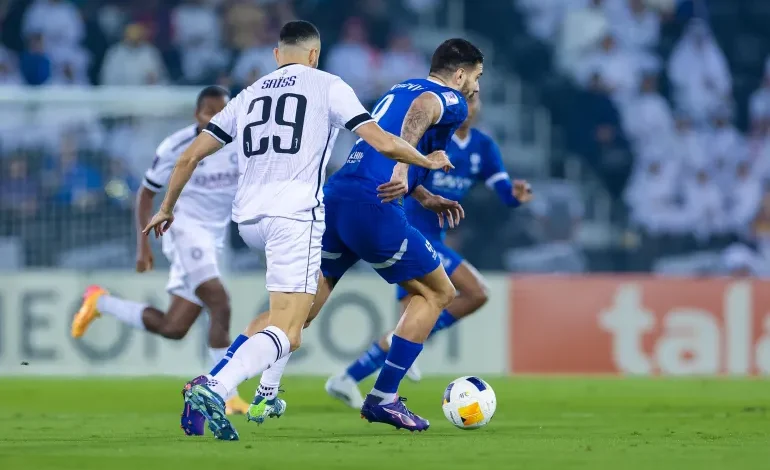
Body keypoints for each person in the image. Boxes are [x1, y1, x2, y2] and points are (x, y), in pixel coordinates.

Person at [142, 21, 453, 441]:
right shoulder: (327, 85)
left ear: (276, 55)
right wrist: (425, 161)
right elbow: (381, 141)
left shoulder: (248, 94)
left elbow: (189, 157)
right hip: (294, 216)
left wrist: (165, 208)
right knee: (288, 332)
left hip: (249, 220)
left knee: (289, 317)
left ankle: (262, 391)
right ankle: (213, 387)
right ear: (314, 55)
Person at [240, 37, 485, 432]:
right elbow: (420, 118)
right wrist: (403, 172)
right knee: (440, 292)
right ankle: (383, 397)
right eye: (476, 76)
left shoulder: (400, 89)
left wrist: (421, 192)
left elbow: (382, 142)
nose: (476, 87)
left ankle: (219, 378)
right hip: (373, 207)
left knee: (298, 311)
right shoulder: (449, 98)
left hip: (338, 196)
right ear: (459, 73)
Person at [326, 95, 531, 406]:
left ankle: (347, 379)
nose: (469, 107)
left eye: (475, 101)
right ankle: (374, 382)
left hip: (432, 237)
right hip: (406, 229)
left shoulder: (483, 147)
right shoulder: (432, 137)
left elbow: (504, 191)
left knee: (408, 325)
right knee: (475, 292)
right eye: (465, 99)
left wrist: (516, 196)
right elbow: (402, 171)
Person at [70, 86, 252, 417]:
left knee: (174, 327)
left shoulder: (239, 143)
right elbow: (145, 194)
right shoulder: (176, 146)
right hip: (182, 231)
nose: (218, 118)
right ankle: (226, 394)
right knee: (220, 303)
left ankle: (101, 301)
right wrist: (143, 247)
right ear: (197, 115)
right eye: (211, 112)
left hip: (214, 239)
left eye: (223, 112)